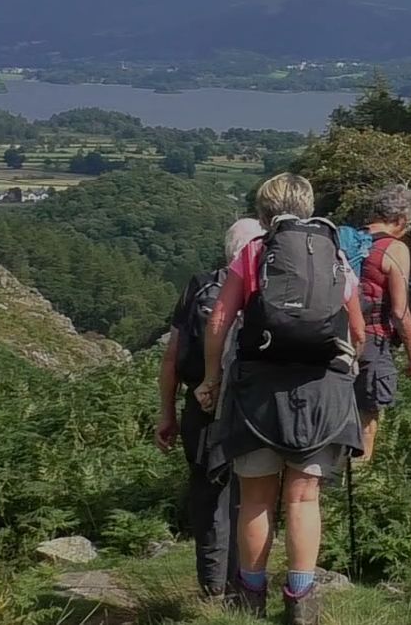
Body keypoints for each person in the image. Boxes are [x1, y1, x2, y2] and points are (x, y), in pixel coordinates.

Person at [196, 173, 365, 624]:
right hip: (321, 391)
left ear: (264, 213)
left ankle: (250, 598)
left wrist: (212, 377)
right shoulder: (334, 253)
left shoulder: (254, 253)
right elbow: (357, 328)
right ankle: (301, 602)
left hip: (258, 392)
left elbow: (219, 321)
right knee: (304, 499)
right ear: (309, 208)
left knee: (255, 499)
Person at [155, 218, 265, 602]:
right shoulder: (269, 287)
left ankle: (213, 587)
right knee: (254, 494)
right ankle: (246, 583)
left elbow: (172, 358)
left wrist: (166, 414)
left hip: (202, 403)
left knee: (207, 494)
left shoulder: (200, 286)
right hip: (255, 404)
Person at [355, 185, 411, 464]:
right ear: (402, 220)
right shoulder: (394, 248)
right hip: (372, 339)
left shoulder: (349, 240)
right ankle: (361, 476)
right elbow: (399, 310)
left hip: (335, 337)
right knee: (367, 418)